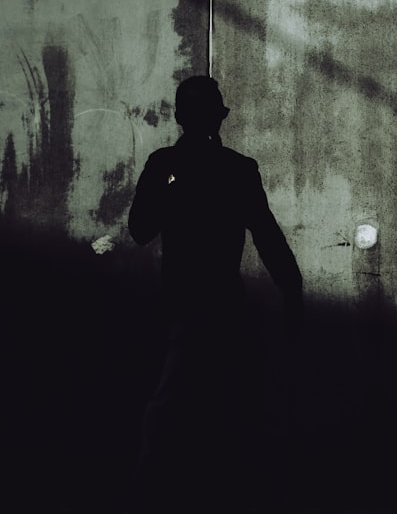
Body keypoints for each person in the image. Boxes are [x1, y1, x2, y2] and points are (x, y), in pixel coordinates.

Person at [127, 75, 303, 513]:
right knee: (226, 402)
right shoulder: (236, 169)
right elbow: (266, 235)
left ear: (180, 117)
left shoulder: (168, 164)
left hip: (186, 304)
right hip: (220, 304)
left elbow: (140, 230)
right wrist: (292, 289)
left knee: (173, 402)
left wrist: (169, 183)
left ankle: (156, 491)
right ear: (217, 118)